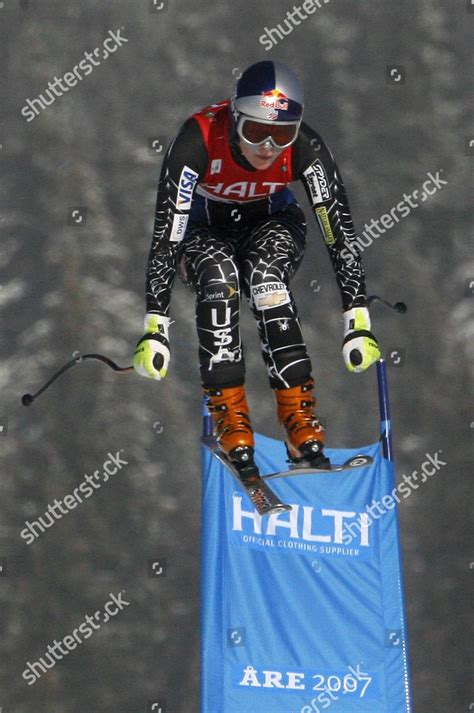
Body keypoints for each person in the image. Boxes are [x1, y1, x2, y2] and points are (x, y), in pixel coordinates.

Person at [133, 61, 381, 471]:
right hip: (203, 228)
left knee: (267, 281)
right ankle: (231, 419)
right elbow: (167, 235)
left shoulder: (307, 149)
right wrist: (155, 327)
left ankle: (299, 422)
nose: (268, 146)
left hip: (272, 222)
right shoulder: (197, 139)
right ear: (234, 118)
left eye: (282, 134)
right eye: (255, 131)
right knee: (219, 279)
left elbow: (339, 233)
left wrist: (357, 317)